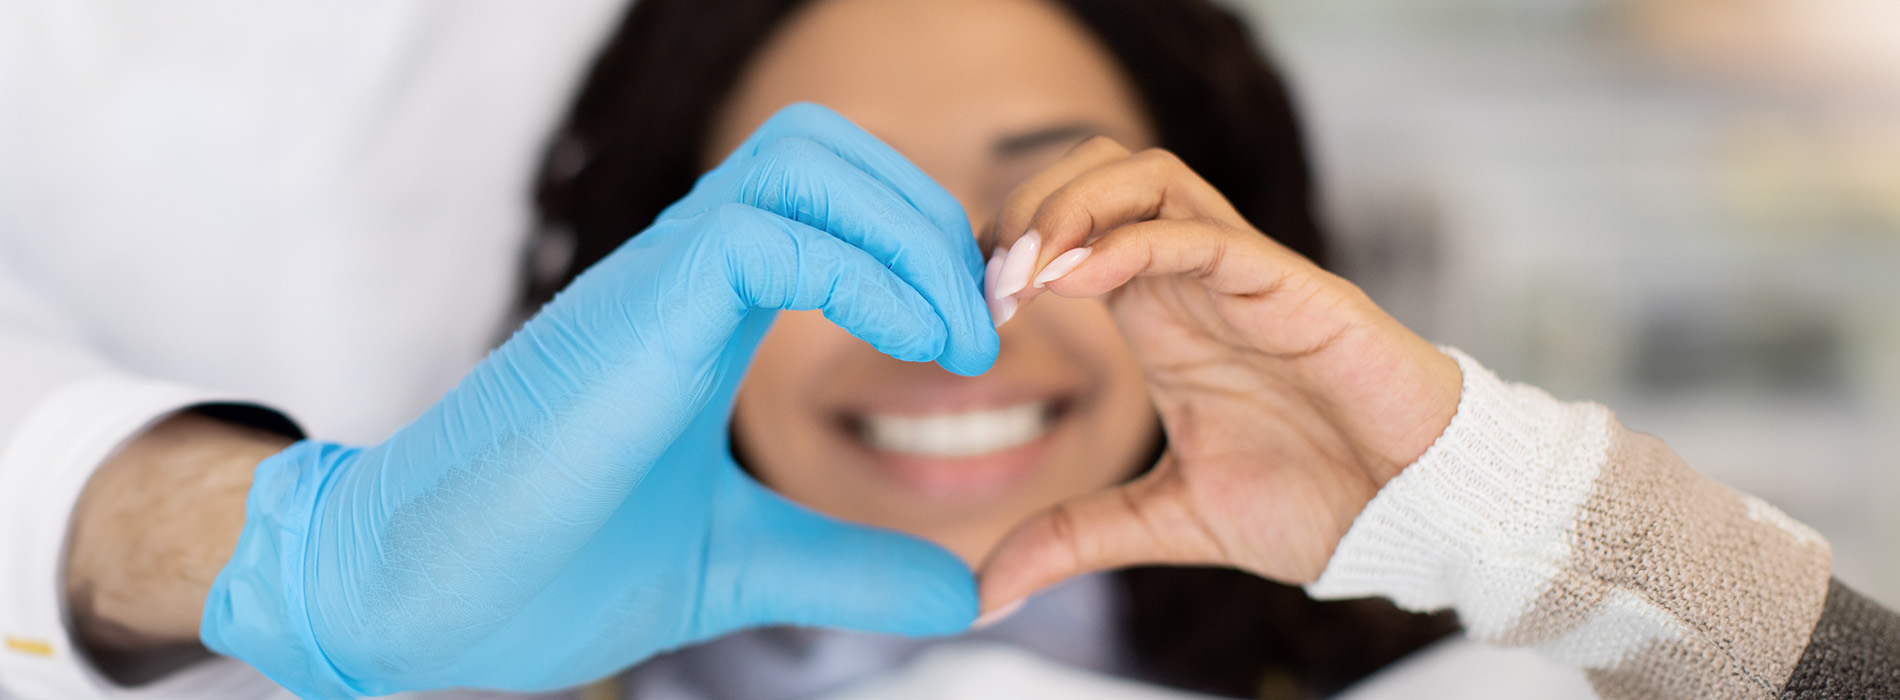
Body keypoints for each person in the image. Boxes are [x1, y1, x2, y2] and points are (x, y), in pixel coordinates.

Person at [0, 4, 1891, 700]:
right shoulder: (451, 661)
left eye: (1057, 215)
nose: (957, 308)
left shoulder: (1499, 671)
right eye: (817, 230)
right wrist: (287, 564)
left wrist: (1521, 516)